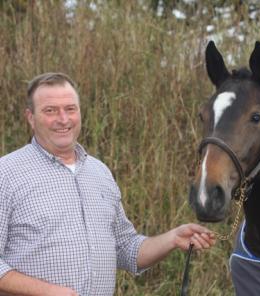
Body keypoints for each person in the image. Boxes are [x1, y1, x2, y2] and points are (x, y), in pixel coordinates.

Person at [0, 73, 215, 296]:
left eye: (70, 109)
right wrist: (47, 292)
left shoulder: (99, 172)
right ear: (30, 117)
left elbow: (126, 249)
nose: (63, 119)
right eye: (50, 110)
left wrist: (171, 239)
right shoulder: (6, 173)